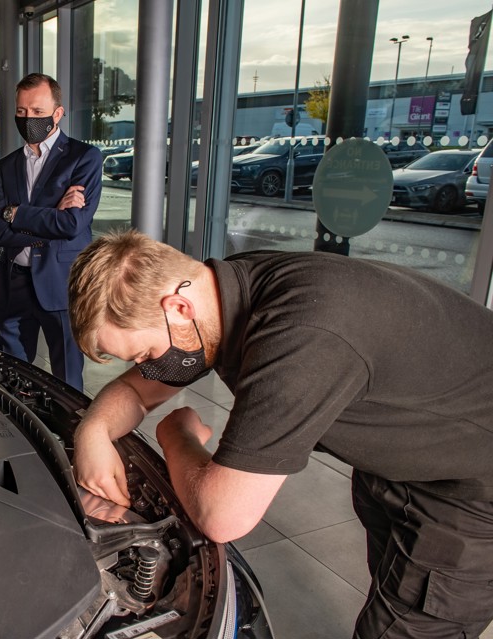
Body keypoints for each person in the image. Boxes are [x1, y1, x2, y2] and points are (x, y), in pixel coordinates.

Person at [68, 229, 493, 638]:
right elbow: (134, 390)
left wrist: (177, 436)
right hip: (405, 456)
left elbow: (222, 515)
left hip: (468, 491)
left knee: (409, 621)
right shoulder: (221, 291)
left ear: (178, 308)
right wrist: (94, 429)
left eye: (145, 352)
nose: (149, 366)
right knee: (391, 586)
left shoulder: (300, 336)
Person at [0, 73, 102, 390]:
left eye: (37, 112)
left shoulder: (84, 158)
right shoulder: (5, 166)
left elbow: (72, 224)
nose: (28, 119)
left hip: (61, 285)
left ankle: (66, 440)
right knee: (12, 378)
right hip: (13, 286)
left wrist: (17, 214)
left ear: (58, 113)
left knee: (66, 382)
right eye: (22, 112)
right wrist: (48, 216)